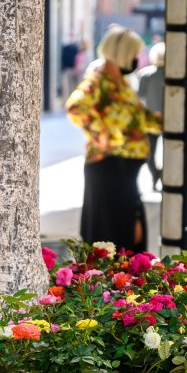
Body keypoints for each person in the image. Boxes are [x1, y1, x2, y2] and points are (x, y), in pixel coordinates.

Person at [66, 25, 162, 254]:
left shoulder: (122, 85)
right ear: (121, 53)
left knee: (129, 233)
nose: (136, 60)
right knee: (114, 235)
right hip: (108, 168)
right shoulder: (98, 81)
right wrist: (104, 135)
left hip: (124, 171)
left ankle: (125, 283)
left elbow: (139, 118)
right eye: (134, 54)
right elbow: (75, 107)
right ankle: (112, 284)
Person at [136, 41, 166, 191]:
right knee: (172, 151)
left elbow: (139, 96)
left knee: (149, 153)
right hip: (171, 120)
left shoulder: (145, 74)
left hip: (150, 120)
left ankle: (156, 176)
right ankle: (163, 175)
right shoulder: (175, 75)